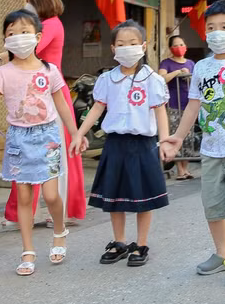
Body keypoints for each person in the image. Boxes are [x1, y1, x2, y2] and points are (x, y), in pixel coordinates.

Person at [0, 10, 84, 275]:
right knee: (24, 197)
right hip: (18, 139)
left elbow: (62, 105)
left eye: (24, 32)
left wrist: (76, 134)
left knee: (50, 195)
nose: (17, 38)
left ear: (37, 37)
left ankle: (59, 231)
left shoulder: (50, 71)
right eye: (11, 34)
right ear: (4, 41)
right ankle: (28, 251)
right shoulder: (3, 72)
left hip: (47, 136)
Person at [161, 0, 225, 286]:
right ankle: (223, 254)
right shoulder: (202, 67)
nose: (217, 32)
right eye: (211, 27)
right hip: (211, 149)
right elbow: (193, 106)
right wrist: (178, 137)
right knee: (213, 207)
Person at [0, 0, 86, 228]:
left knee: (53, 155)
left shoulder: (51, 25)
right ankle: (25, 212)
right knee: (27, 155)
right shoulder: (44, 24)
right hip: (31, 96)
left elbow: (27, 48)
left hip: (50, 95)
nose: (26, 3)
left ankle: (59, 209)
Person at [72, 20, 169, 267]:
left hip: (143, 143)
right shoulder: (106, 79)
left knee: (144, 196)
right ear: (113, 48)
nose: (128, 48)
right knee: (114, 196)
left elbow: (160, 112)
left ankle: (142, 243)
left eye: (133, 43)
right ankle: (119, 242)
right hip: (115, 143)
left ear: (144, 46)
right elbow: (97, 107)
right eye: (122, 44)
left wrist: (166, 141)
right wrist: (79, 133)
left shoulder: (152, 79)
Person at [158, 35, 196, 180]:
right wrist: (177, 73)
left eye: (182, 44)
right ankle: (180, 170)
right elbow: (161, 78)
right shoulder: (166, 63)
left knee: (188, 137)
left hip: (190, 104)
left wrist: (189, 76)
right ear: (170, 48)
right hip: (174, 104)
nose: (179, 47)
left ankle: (185, 168)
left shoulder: (191, 63)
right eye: (176, 45)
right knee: (176, 134)